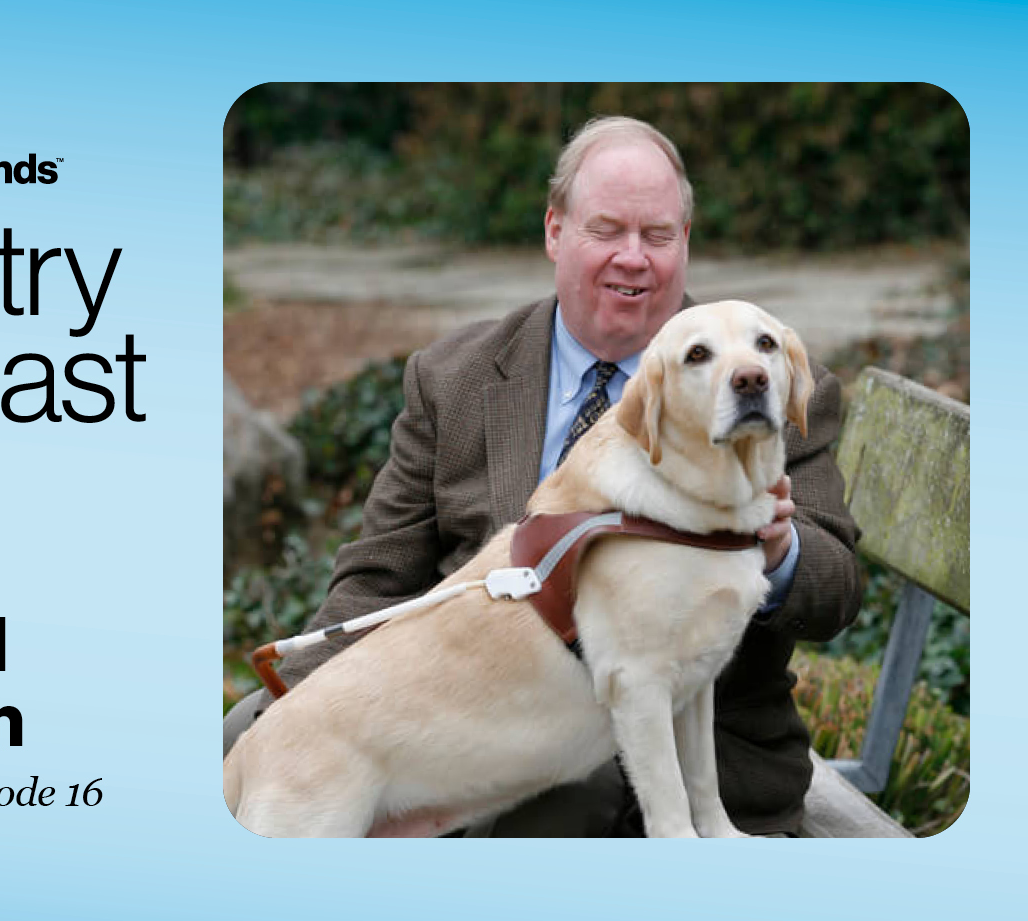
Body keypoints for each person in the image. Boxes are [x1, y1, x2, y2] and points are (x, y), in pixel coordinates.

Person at [224, 116, 862, 836]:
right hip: (471, 708)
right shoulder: (453, 377)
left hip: (673, 759)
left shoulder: (762, 381)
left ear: (685, 241)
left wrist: (774, 550)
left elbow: (838, 586)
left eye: (657, 235)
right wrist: (315, 706)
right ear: (555, 232)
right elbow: (379, 573)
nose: (634, 257)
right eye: (607, 229)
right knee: (251, 734)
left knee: (553, 806)